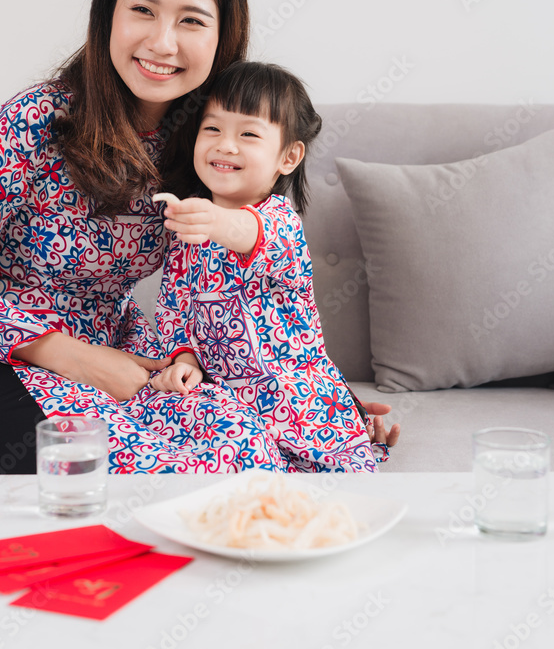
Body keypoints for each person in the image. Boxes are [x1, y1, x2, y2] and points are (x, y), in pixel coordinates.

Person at [0, 0, 291, 474]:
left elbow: (255, 299)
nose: (162, 43)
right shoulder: (36, 120)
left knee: (238, 456)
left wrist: (317, 402)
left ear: (223, 38)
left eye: (191, 21)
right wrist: (83, 361)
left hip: (121, 353)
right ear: (108, 15)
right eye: (142, 11)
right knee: (82, 477)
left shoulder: (213, 151)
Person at [150, 60, 400, 471]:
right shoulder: (188, 232)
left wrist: (211, 220)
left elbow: (248, 232)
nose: (225, 145)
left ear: (288, 156)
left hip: (288, 389)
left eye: (248, 134)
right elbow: (173, 309)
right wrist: (184, 361)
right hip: (221, 390)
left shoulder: (280, 221)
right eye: (212, 128)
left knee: (303, 450)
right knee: (168, 420)